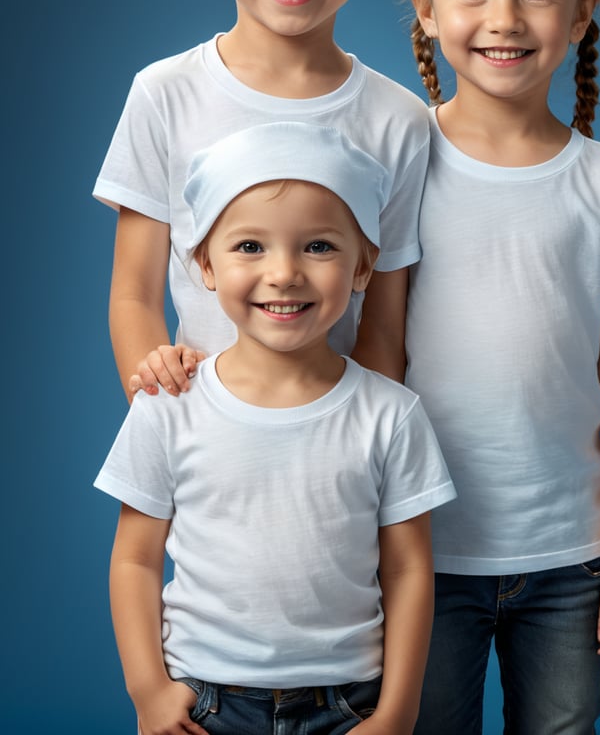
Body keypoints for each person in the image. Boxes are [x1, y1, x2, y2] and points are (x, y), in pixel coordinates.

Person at [400, 0, 600, 735]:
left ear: (582, 10)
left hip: (568, 562)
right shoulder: (394, 165)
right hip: (420, 550)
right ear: (426, 8)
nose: (503, 20)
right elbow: (364, 354)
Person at [94, 121, 456, 735]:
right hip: (207, 701)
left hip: (349, 703)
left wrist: (398, 710)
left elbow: (408, 569)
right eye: (250, 247)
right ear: (205, 264)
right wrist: (147, 689)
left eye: (318, 246)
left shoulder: (391, 416)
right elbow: (134, 558)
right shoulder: (169, 407)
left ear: (364, 266)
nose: (284, 273)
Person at [93, 0, 428, 399]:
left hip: (339, 459)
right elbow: (133, 295)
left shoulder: (399, 120)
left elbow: (384, 332)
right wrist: (166, 421)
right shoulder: (164, 94)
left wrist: (367, 452)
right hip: (205, 448)